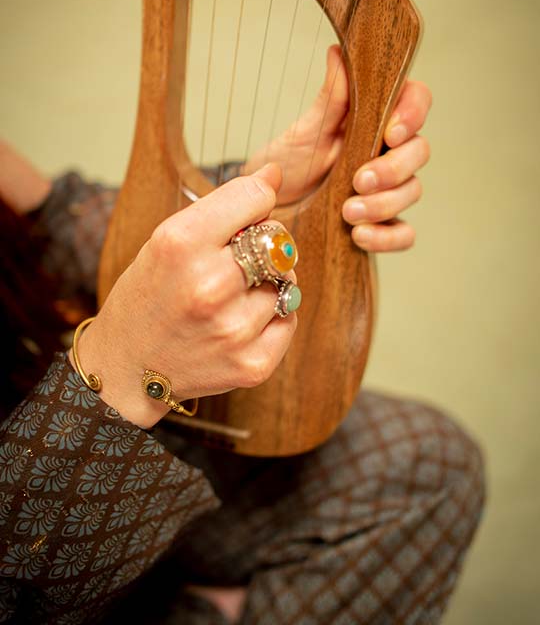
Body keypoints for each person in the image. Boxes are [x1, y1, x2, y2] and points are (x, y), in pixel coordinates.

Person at [0, 49, 484, 624]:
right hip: (28, 497)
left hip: (55, 410)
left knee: (425, 467)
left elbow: (53, 221)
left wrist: (251, 192)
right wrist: (120, 372)